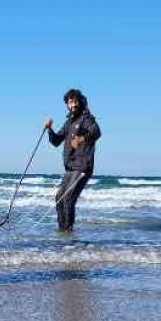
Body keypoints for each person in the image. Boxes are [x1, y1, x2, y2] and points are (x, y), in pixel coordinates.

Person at [44, 89, 101, 232]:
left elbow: (96, 132)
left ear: (80, 102)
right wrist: (49, 129)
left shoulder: (86, 118)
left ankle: (67, 232)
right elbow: (56, 141)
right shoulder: (69, 122)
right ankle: (62, 232)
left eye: (75, 101)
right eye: (70, 102)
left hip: (83, 166)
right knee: (59, 198)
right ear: (67, 105)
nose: (73, 104)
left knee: (69, 197)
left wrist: (81, 138)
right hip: (70, 167)